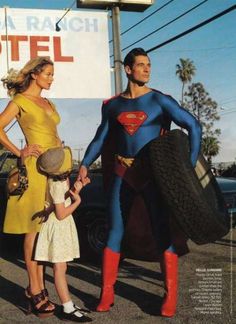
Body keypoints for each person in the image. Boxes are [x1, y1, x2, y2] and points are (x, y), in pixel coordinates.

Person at [78, 48, 202, 317]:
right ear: (128, 69)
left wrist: (187, 166)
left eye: (149, 65)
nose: (147, 69)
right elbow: (100, 139)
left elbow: (194, 126)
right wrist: (85, 164)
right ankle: (106, 293)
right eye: (141, 65)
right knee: (114, 232)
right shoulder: (113, 105)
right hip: (122, 173)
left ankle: (170, 297)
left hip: (153, 176)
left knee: (161, 231)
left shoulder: (160, 101)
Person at [0, 57, 61, 317]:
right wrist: (19, 151)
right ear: (35, 74)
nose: (51, 78)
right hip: (34, 171)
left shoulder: (48, 102)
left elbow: (53, 134)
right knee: (33, 230)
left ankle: (39, 285)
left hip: (55, 169)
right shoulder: (20, 101)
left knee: (47, 229)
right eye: (47, 73)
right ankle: (34, 289)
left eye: (52, 74)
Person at [34, 146, 92, 323]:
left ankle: (69, 304)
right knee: (60, 269)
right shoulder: (58, 183)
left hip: (59, 226)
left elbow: (58, 201)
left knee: (62, 267)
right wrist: (78, 201)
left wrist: (77, 188)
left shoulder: (56, 180)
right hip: (58, 227)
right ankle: (67, 307)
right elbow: (61, 214)